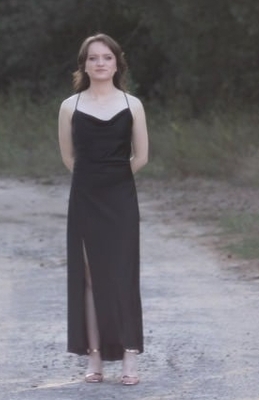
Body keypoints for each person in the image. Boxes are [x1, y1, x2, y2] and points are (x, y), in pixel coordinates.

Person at [56, 33, 149, 386]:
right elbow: (68, 157)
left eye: (106, 57)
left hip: (121, 197)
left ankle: (129, 358)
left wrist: (114, 178)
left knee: (123, 274)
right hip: (85, 197)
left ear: (116, 63)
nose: (99, 63)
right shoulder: (70, 106)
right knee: (91, 278)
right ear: (84, 64)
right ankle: (94, 359)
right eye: (93, 58)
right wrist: (93, 180)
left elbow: (141, 157)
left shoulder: (132, 104)